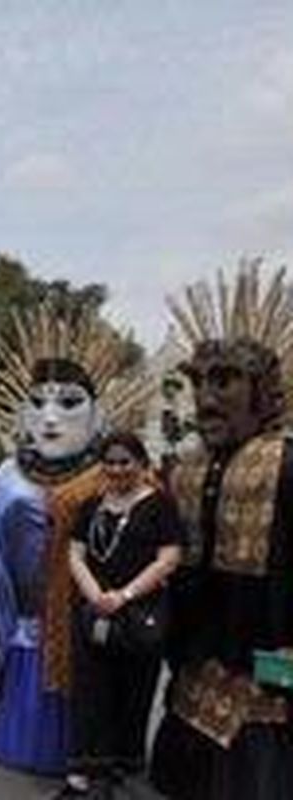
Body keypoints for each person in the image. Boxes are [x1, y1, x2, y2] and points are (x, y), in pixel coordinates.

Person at [0, 306, 148, 776]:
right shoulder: (8, 478)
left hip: (95, 618)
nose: (50, 417)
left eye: (70, 403)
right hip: (28, 621)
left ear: (98, 416)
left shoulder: (113, 478)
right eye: (38, 402)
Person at [150, 265, 293, 799]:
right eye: (199, 381)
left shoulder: (285, 464)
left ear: (265, 390)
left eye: (225, 380)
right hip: (193, 668)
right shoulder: (184, 468)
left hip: (267, 675)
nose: (206, 397)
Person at [59, 432, 181, 798]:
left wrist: (125, 595)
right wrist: (95, 595)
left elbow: (169, 557)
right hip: (95, 611)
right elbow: (75, 553)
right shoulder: (93, 504)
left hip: (139, 614)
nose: (116, 469)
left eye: (125, 461)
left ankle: (123, 769)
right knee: (91, 691)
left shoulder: (159, 505)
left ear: (142, 464)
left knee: (134, 691)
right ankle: (86, 773)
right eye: (110, 462)